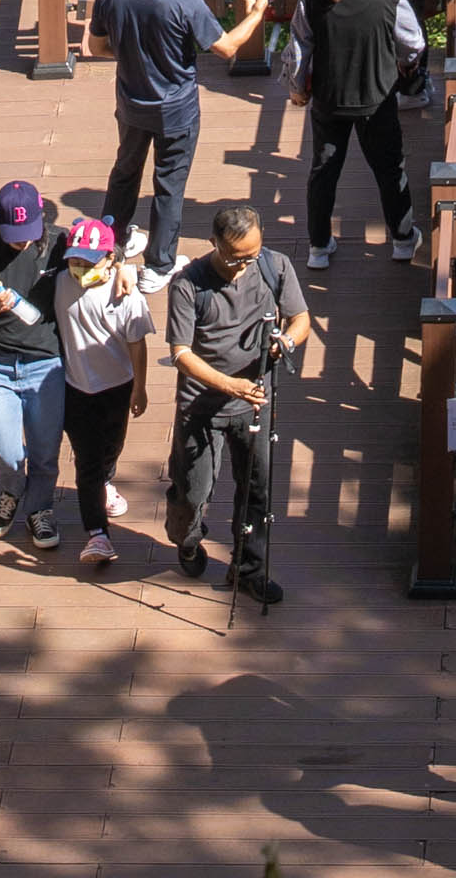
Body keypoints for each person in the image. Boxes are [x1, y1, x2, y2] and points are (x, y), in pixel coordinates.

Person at [90, 0, 255, 266]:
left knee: (124, 173)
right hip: (177, 111)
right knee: (169, 185)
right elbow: (227, 48)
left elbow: (97, 47)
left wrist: (132, 53)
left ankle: (109, 245)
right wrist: (256, 15)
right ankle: (159, 263)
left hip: (131, 105)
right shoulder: (186, 4)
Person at [164, 201, 308, 606]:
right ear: (214, 243)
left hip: (255, 401)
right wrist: (231, 386)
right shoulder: (188, 284)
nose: (244, 266)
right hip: (201, 405)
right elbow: (180, 354)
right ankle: (187, 540)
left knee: (257, 490)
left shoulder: (274, 266)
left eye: (252, 256)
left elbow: (300, 319)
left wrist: (286, 341)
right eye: (235, 258)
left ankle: (249, 569)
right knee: (193, 493)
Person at [282, 0, 426, 271]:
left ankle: (318, 246)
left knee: (324, 170)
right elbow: (413, 44)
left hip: (329, 100)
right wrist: (403, 64)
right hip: (377, 97)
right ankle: (403, 239)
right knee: (390, 169)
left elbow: (299, 51)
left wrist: (297, 90)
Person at [0, 175, 71, 543]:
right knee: (5, 449)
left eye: (28, 232)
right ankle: (12, 488)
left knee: (45, 448)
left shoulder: (59, 243)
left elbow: (102, 252)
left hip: (46, 361)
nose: (22, 241)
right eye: (14, 234)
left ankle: (40, 508)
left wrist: (120, 270)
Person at [52, 214, 159, 572]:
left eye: (89, 264)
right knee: (87, 460)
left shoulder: (125, 294)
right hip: (75, 387)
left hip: (117, 386)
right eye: (75, 263)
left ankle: (106, 479)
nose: (80, 271)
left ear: (110, 259)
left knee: (112, 445)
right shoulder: (60, 282)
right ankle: (97, 532)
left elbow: (137, 344)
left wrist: (140, 387)